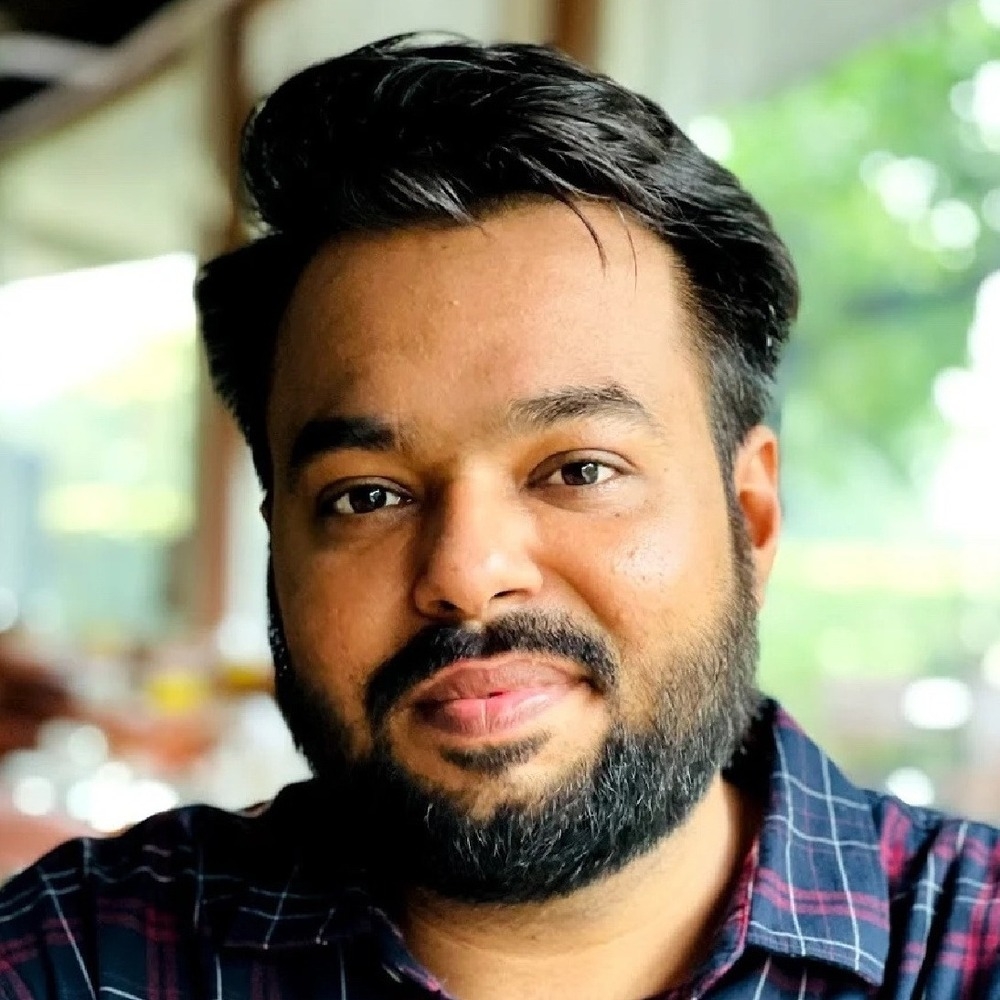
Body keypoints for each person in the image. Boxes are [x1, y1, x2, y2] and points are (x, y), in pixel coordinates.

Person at [1, 34, 997, 1000]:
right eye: (366, 494)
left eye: (578, 469)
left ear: (752, 518)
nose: (465, 573)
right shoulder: (77, 961)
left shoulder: (970, 950)